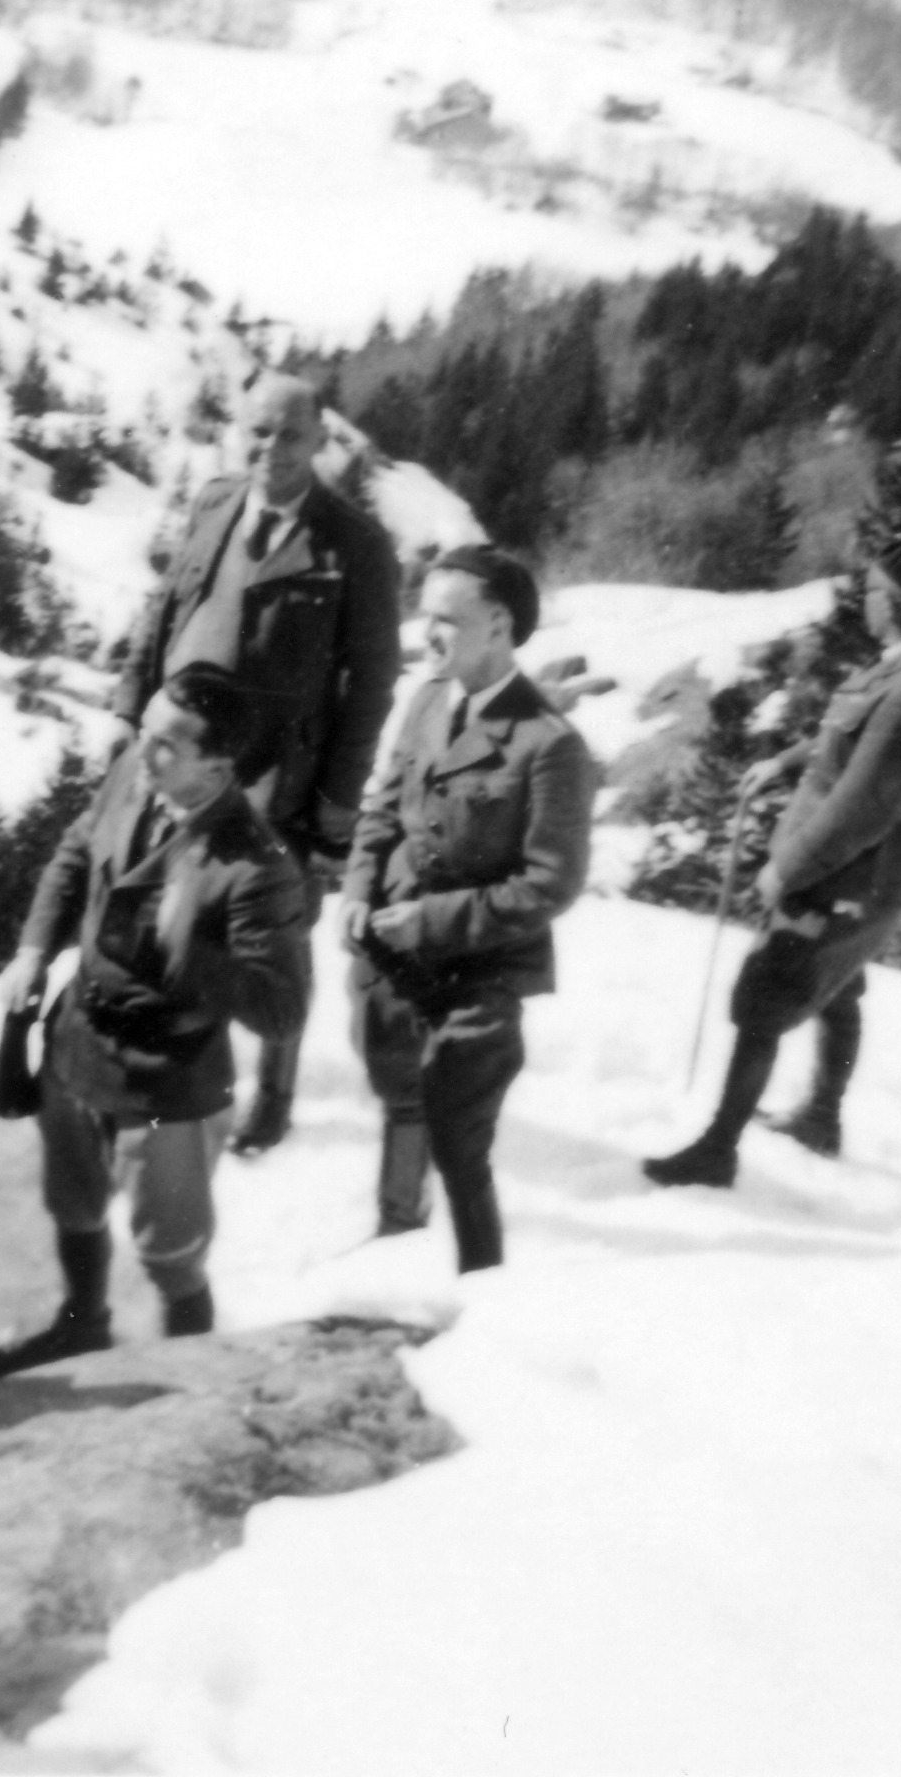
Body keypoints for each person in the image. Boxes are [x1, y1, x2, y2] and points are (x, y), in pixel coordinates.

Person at [0, 663, 311, 1374]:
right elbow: (77, 852)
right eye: (145, 731)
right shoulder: (133, 773)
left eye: (167, 744)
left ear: (217, 767)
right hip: (77, 1042)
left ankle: (190, 1381)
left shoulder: (258, 867)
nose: (143, 751)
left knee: (172, 1254)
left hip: (168, 1083)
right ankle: (82, 1326)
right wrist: (33, 951)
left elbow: (283, 1011)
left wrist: (191, 948)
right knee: (73, 1204)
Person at [112, 372, 400, 1157]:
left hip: (277, 777)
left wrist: (337, 798)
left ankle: (273, 1094)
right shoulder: (214, 502)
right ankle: (167, 1069)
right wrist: (129, 710)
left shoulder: (355, 543)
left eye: (291, 435)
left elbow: (373, 684)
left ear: (320, 441)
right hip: (178, 754)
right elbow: (163, 609)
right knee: (167, 903)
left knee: (273, 929)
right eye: (259, 433)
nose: (272, 449)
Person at [644, 537, 901, 1188]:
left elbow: (860, 807)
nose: (864, 601)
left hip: (845, 872)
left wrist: (785, 871)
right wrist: (785, 762)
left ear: (893, 604)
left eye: (871, 591)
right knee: (838, 986)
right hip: (864, 873)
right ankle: (822, 1118)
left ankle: (717, 1151)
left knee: (765, 995)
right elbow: (851, 739)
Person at [342, 545, 595, 1273]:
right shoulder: (428, 699)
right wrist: (359, 888)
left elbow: (550, 885)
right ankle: (397, 1232)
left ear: (499, 626)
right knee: (398, 1090)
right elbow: (384, 806)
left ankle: (483, 1283)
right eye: (425, 616)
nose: (427, 635)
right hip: (393, 947)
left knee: (458, 1132)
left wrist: (428, 923)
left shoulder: (550, 745)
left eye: (446, 620)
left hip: (483, 968)